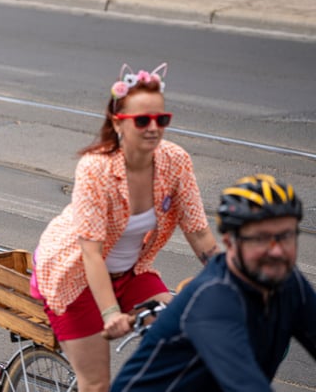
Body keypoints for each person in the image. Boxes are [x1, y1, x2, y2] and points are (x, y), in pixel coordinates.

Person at [31, 63, 220, 392]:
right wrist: (110, 313)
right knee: (97, 383)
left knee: (187, 342)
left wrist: (238, 281)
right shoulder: (96, 169)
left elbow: (199, 232)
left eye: (161, 119)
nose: (153, 128)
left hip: (131, 273)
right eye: (142, 120)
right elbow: (90, 254)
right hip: (75, 279)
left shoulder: (175, 162)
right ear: (119, 123)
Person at [112, 174, 316, 391]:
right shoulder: (213, 300)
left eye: (286, 236)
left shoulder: (287, 281)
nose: (276, 251)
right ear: (230, 241)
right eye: (260, 238)